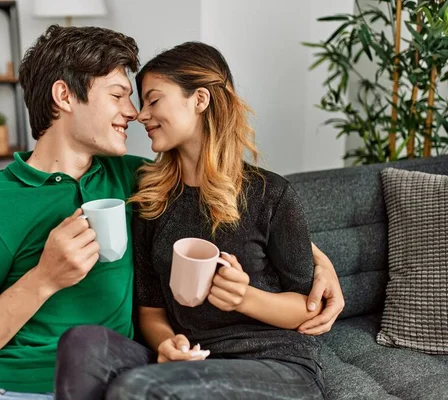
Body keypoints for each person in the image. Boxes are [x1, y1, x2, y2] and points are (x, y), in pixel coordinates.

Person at [0, 25, 342, 399]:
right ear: (64, 95)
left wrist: (320, 262)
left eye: (138, 99)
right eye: (119, 95)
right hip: (13, 386)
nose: (134, 113)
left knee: (91, 347)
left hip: (117, 376)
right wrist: (43, 280)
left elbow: (228, 207)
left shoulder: (137, 183)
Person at [55, 42, 334, 400]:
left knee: (138, 387)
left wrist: (242, 298)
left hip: (278, 365)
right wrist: (169, 344)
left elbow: (307, 308)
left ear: (199, 99)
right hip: (194, 361)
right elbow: (151, 311)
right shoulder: (151, 201)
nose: (141, 115)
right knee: (81, 345)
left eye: (153, 100)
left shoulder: (271, 194)